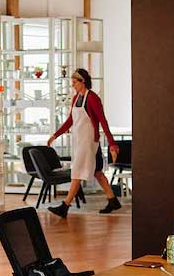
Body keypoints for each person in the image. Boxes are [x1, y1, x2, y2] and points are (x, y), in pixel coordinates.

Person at [46, 69, 121, 219]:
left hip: (88, 142)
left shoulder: (93, 98)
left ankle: (65, 206)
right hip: (79, 141)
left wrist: (112, 144)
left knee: (77, 172)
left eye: (74, 83)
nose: (72, 86)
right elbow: (70, 121)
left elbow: (102, 121)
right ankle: (112, 200)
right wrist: (55, 135)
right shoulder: (75, 98)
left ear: (83, 82)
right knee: (97, 171)